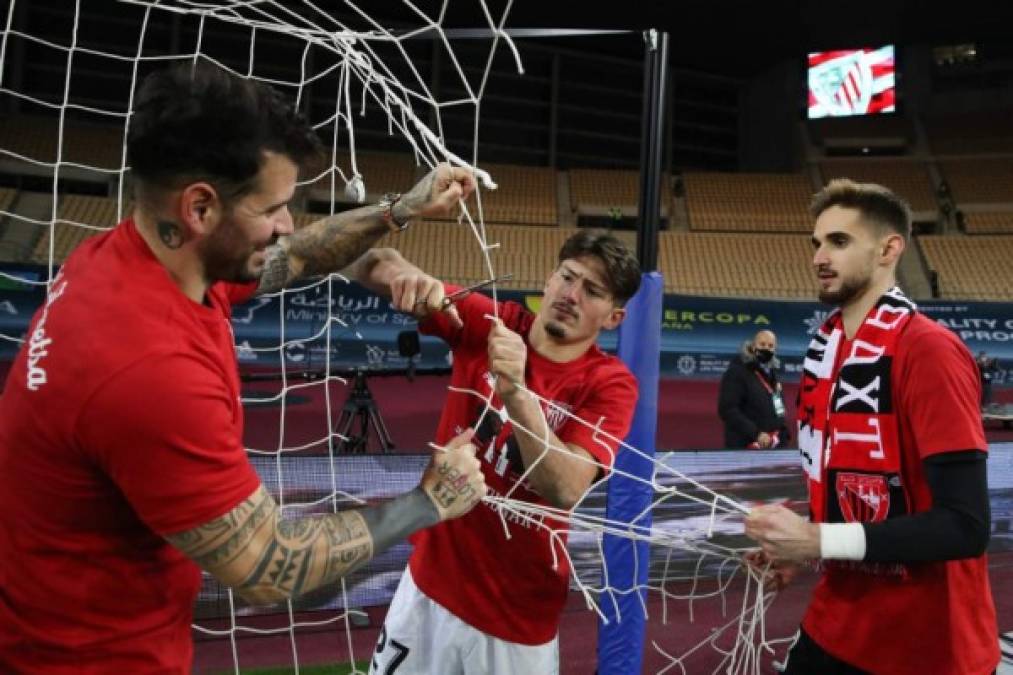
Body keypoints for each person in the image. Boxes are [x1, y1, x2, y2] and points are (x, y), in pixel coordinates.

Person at [0, 62, 488, 673]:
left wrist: (398, 213)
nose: (286, 224)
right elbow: (267, 566)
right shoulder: (148, 369)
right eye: (274, 207)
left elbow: (293, 257)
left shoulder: (140, 259)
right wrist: (431, 499)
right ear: (200, 207)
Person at [351, 230, 642, 674]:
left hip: (515, 613)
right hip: (430, 585)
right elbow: (370, 263)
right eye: (567, 276)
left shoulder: (609, 383)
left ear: (613, 317)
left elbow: (566, 487)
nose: (571, 294)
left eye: (593, 291)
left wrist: (517, 391)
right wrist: (408, 279)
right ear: (548, 280)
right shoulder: (494, 323)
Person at [744, 179, 998, 675]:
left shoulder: (929, 350)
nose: (820, 255)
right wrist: (802, 543)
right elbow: (852, 488)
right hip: (834, 625)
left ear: (889, 249)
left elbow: (966, 526)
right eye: (816, 242)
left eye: (839, 242)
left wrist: (818, 540)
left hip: (930, 650)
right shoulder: (827, 349)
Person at [717, 329, 789, 449]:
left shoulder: (772, 374)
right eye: (762, 344)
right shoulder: (737, 371)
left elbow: (779, 407)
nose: (766, 348)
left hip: (772, 446)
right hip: (744, 447)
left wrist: (782, 432)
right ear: (753, 346)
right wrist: (756, 434)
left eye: (770, 346)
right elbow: (727, 410)